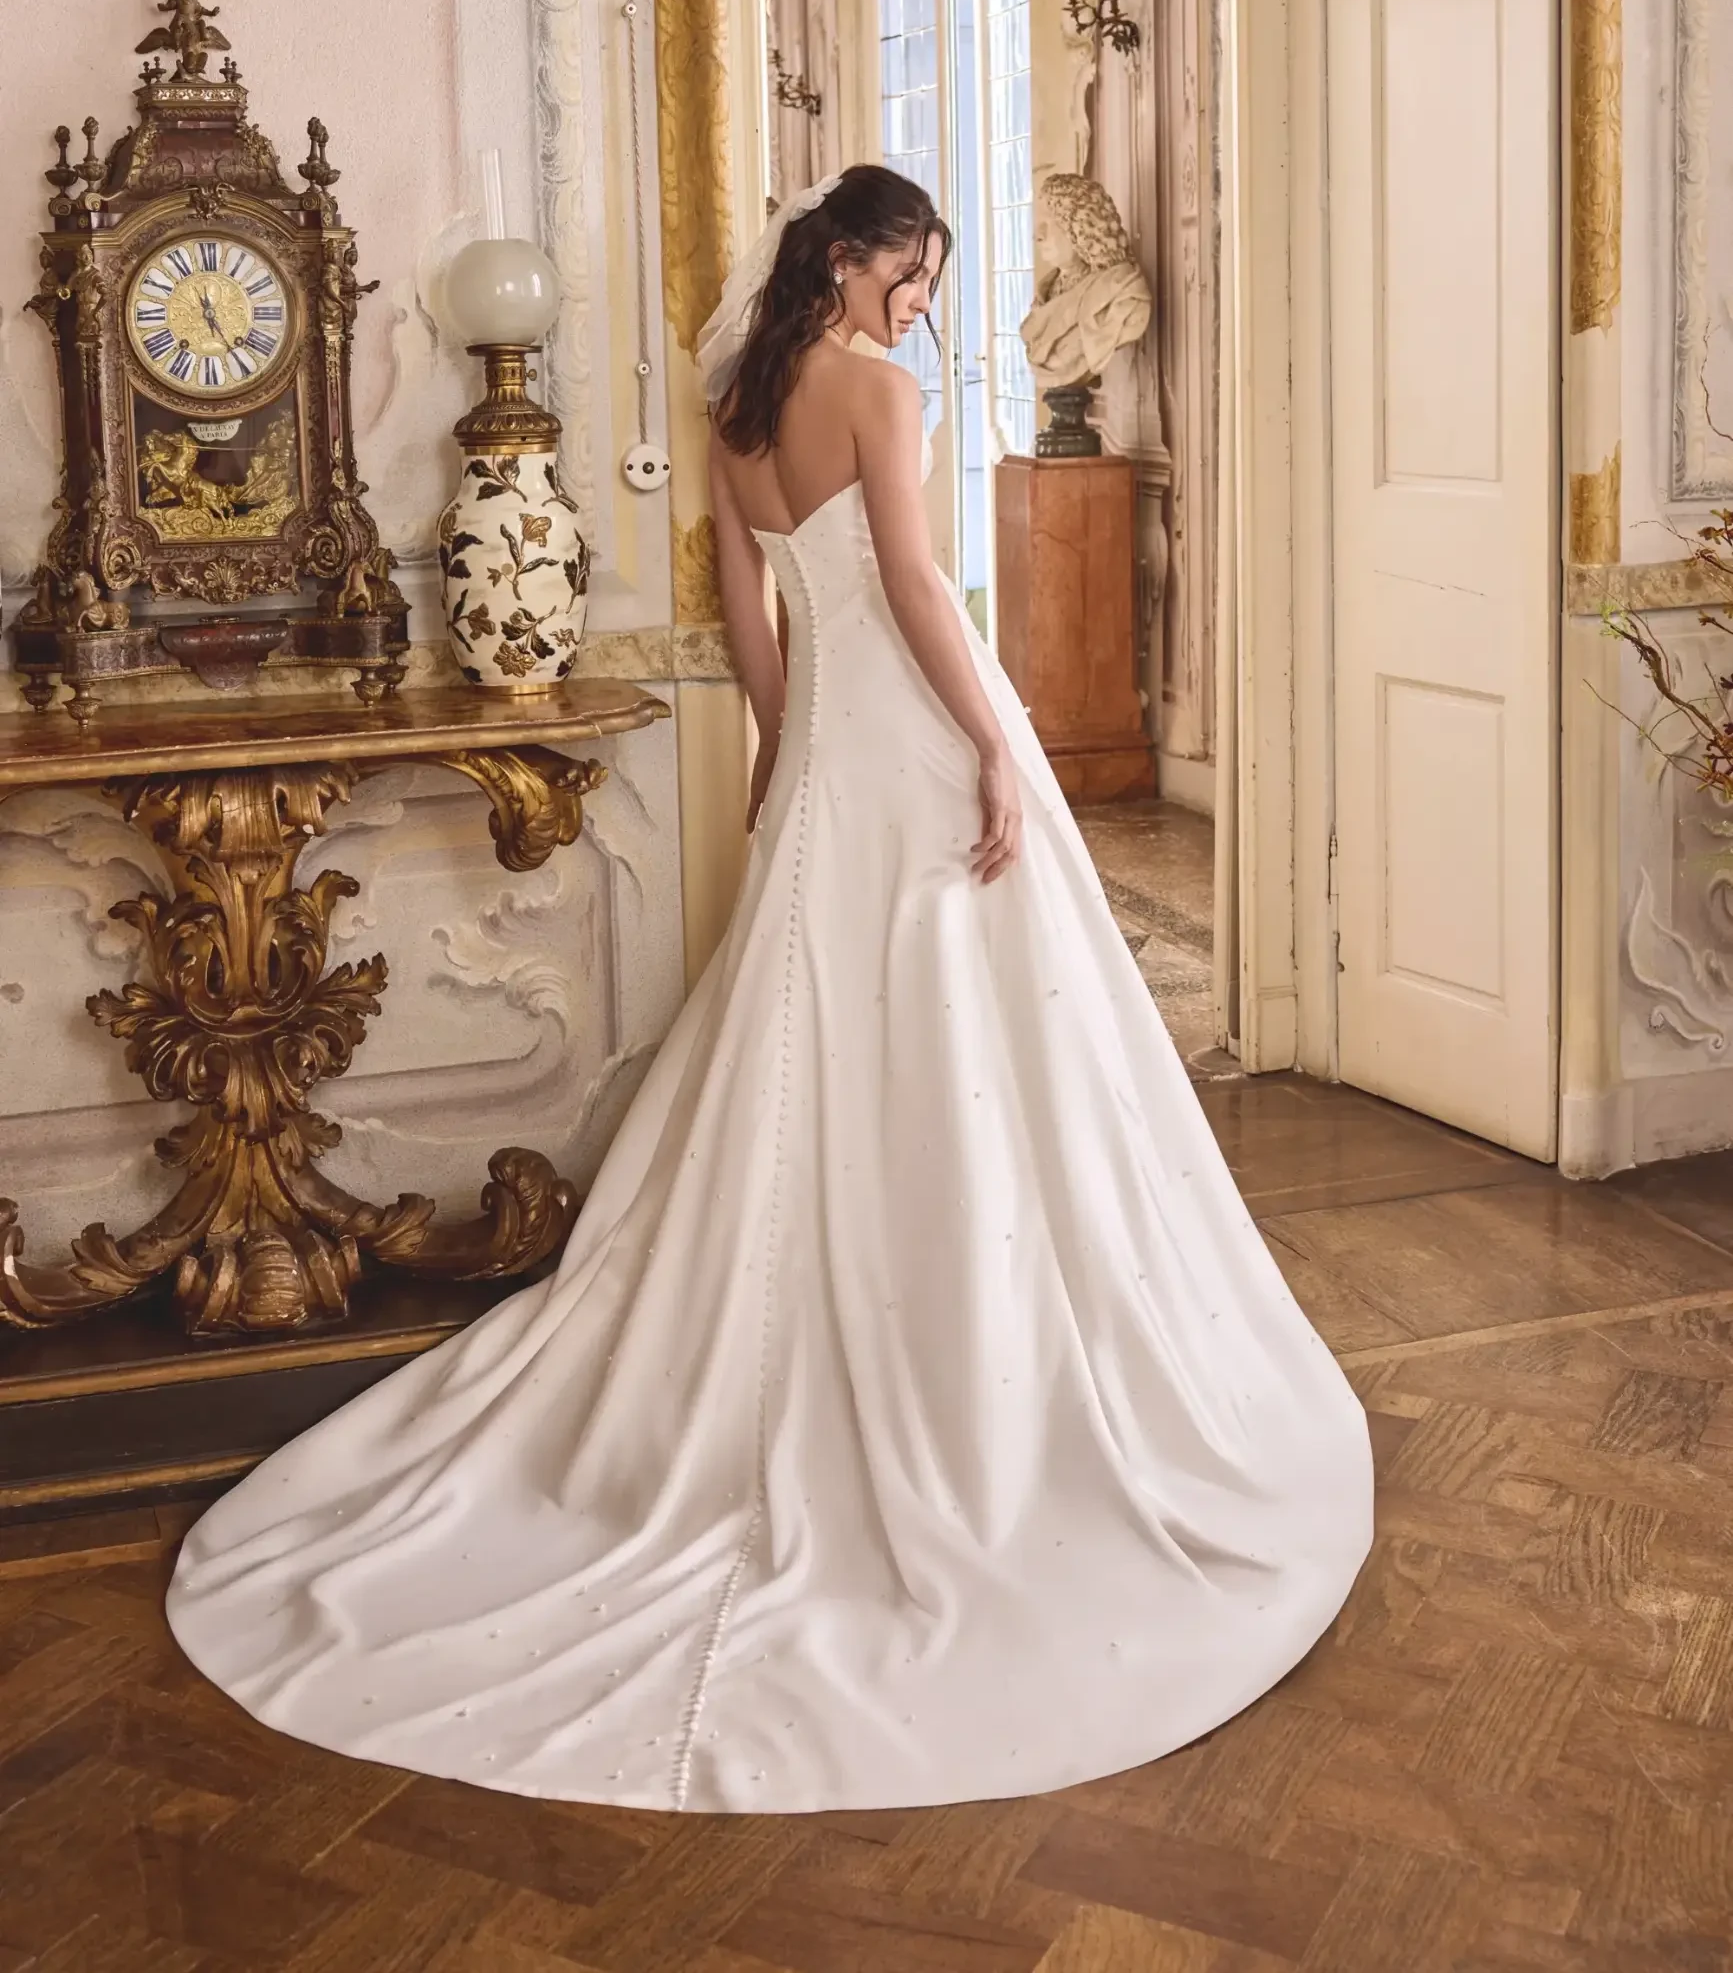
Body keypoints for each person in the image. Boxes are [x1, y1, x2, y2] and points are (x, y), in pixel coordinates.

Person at [166, 162, 1373, 1816]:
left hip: (822, 753)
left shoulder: (738, 406)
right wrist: (992, 746)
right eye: (916, 273)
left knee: (822, 1026)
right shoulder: (874, 390)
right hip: (915, 734)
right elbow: (921, 587)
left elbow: (751, 608)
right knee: (968, 1027)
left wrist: (779, 746)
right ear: (857, 258)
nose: (924, 306)